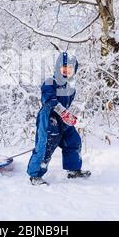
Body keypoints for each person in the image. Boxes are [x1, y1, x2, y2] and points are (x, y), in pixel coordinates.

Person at [27, 52, 91, 185]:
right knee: (46, 145)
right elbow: (48, 99)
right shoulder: (51, 82)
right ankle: (35, 175)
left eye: (70, 68)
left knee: (73, 141)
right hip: (49, 118)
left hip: (63, 119)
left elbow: (66, 104)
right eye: (64, 67)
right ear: (58, 67)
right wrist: (63, 112)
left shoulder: (70, 88)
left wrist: (68, 115)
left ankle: (73, 170)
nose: (67, 70)